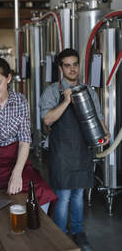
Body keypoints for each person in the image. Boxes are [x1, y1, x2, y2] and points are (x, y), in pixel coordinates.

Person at [39, 48, 110, 251]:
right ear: (61, 68)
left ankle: (78, 233)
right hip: (62, 151)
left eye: (75, 64)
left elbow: (99, 118)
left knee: (78, 195)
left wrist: (105, 133)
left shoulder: (89, 91)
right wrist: (67, 100)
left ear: (80, 65)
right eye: (67, 65)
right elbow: (47, 120)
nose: (72, 69)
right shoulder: (52, 91)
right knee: (64, 196)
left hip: (82, 151)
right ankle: (61, 235)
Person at [0, 56, 57, 214]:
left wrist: (17, 174)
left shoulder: (21, 101)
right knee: (27, 192)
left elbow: (24, 141)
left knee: (45, 191)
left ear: (8, 78)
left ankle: (39, 228)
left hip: (19, 161)